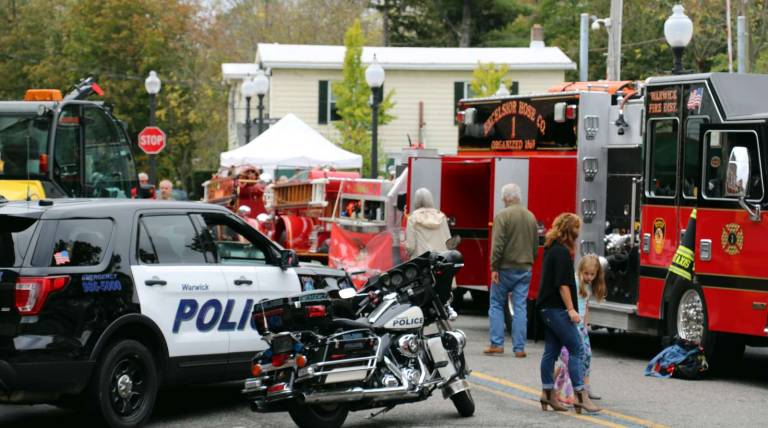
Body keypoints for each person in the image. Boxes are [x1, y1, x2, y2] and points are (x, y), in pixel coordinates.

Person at [537, 213, 600, 414]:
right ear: (570, 232)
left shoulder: (550, 249)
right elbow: (562, 284)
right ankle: (580, 395)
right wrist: (571, 309)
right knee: (577, 348)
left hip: (547, 307)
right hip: (557, 309)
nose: (578, 234)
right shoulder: (562, 253)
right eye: (576, 230)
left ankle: (548, 393)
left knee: (551, 351)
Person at [484, 183, 538, 358]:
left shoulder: (502, 216)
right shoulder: (531, 216)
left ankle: (497, 343)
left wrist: (494, 267)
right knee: (520, 306)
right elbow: (536, 245)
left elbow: (497, 244)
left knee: (496, 304)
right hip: (525, 268)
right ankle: (519, 347)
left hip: (505, 268)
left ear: (506, 198)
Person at [552, 254, 607, 404]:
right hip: (570, 326)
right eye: (586, 274)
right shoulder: (575, 282)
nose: (589, 277)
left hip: (581, 327)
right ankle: (568, 393)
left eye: (592, 274)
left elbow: (586, 306)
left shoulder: (589, 285)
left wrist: (586, 326)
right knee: (570, 361)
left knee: (586, 355)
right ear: (581, 270)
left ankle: (555, 388)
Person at [405, 188, 450, 259]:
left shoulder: (412, 218)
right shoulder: (441, 217)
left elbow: (410, 247)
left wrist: (406, 253)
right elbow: (448, 242)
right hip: (439, 260)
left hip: (421, 261)